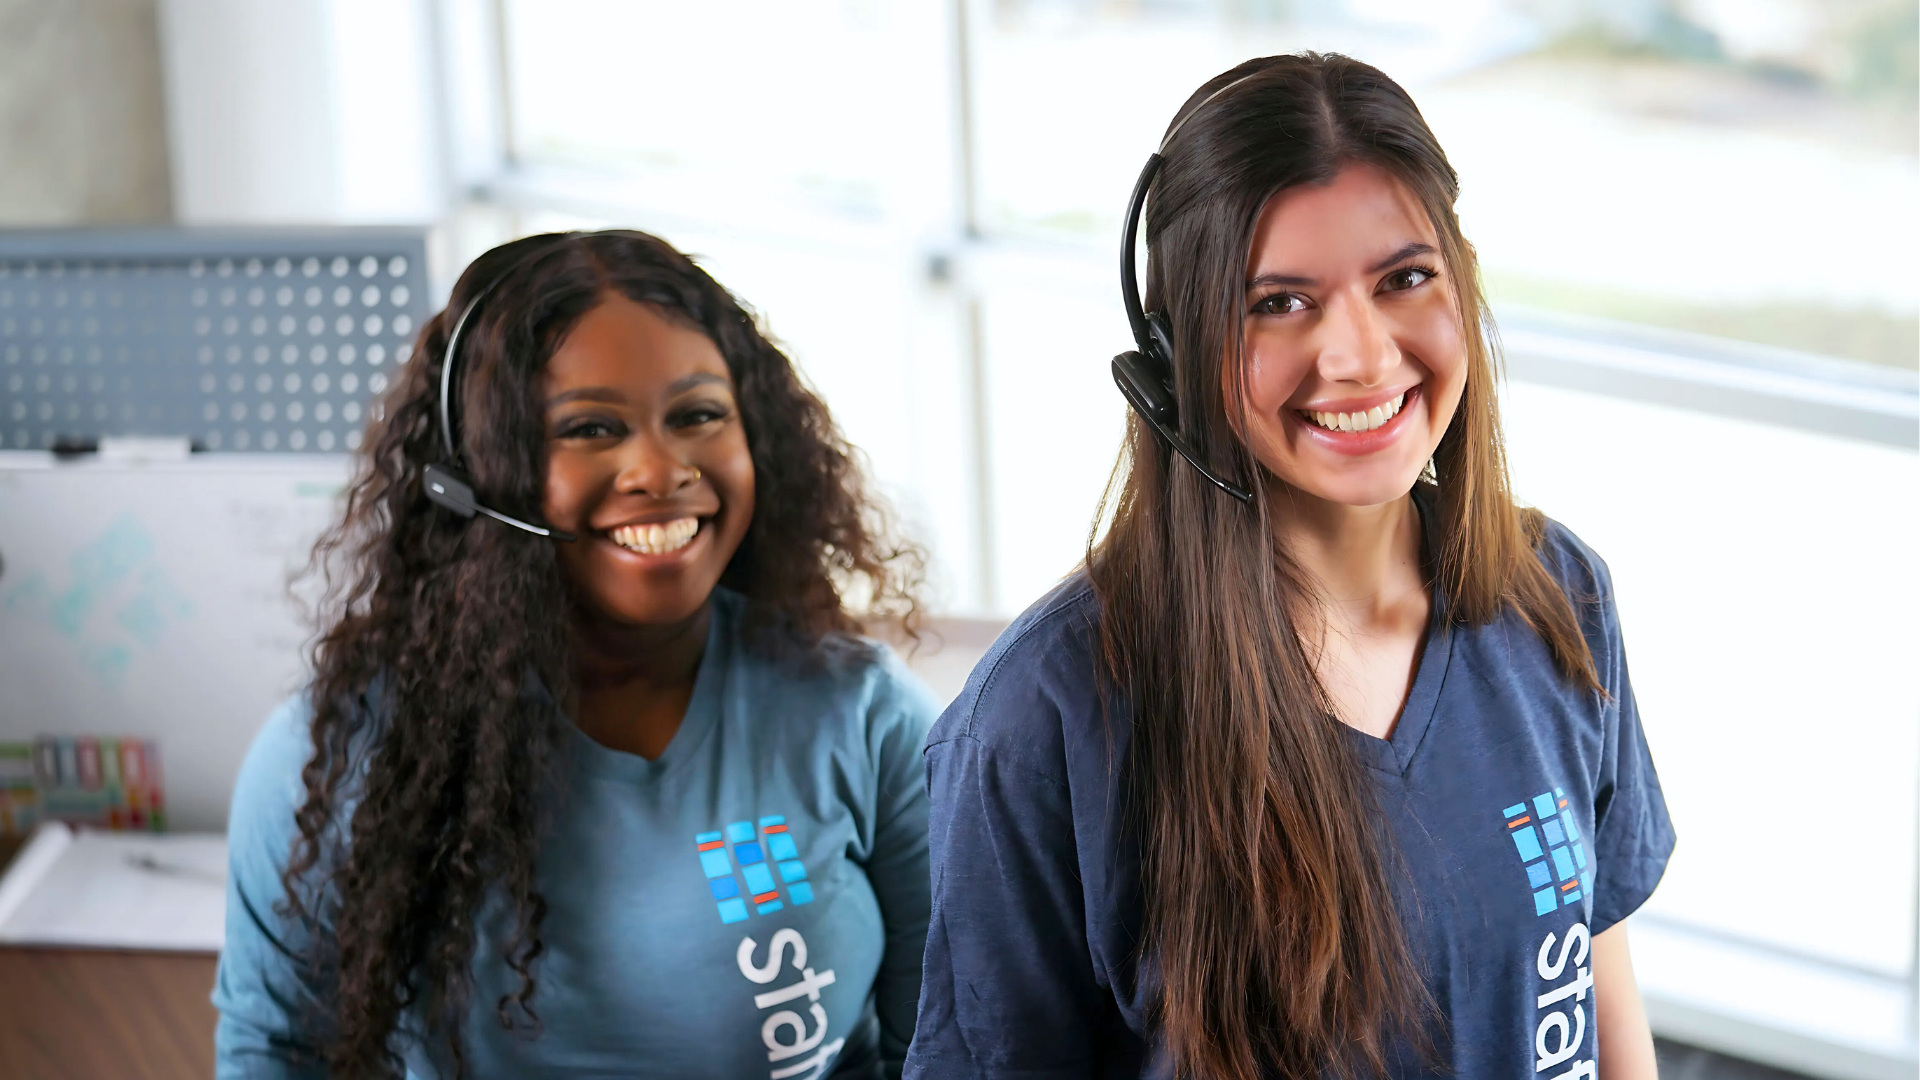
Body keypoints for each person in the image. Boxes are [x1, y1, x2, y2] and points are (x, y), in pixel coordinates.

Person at [904, 54, 1673, 1080]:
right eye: (1279, 303)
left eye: (1404, 279)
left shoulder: (1556, 594)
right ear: (1172, 354)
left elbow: (1593, 976)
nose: (1360, 356)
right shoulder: (1043, 721)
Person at [214, 230, 937, 1079]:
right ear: (475, 477)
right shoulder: (344, 751)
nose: (659, 469)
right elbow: (279, 1052)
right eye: (591, 428)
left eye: (698, 414)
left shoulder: (861, 714)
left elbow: (958, 1038)